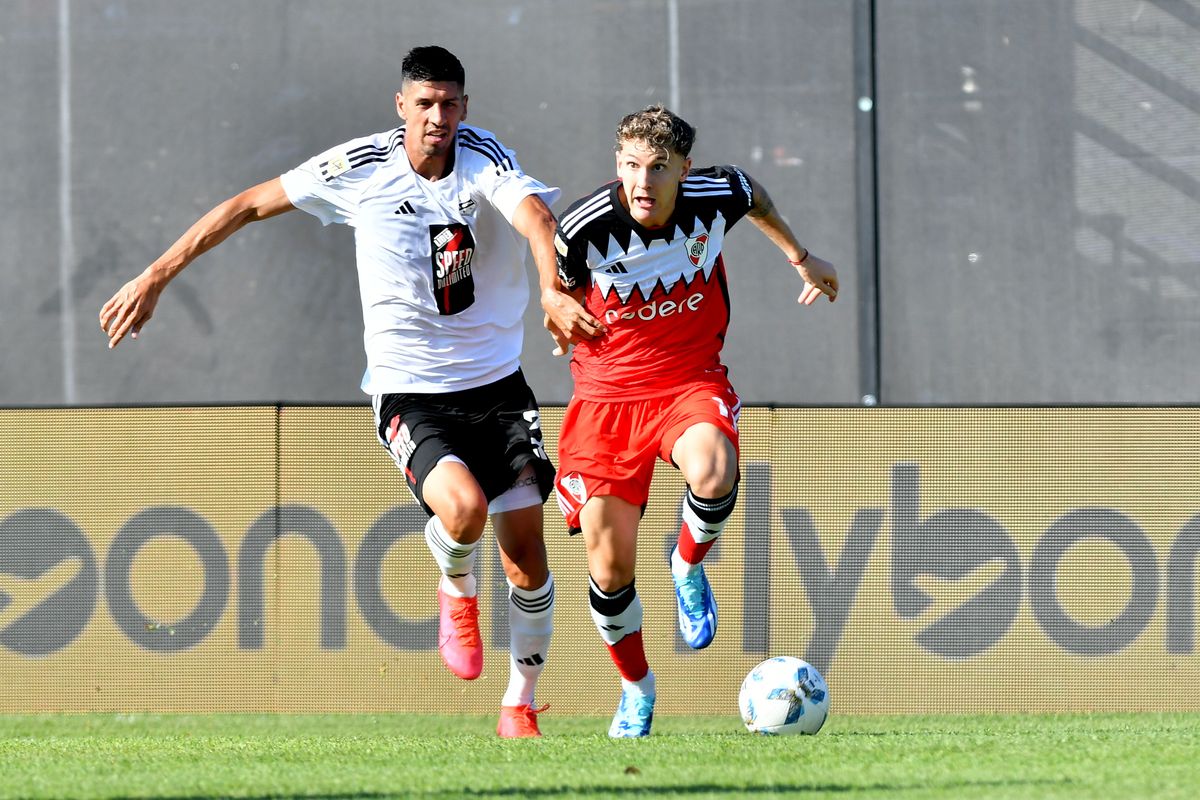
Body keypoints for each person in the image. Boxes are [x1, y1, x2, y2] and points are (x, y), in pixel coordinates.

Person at [99, 45, 582, 739]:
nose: (437, 117)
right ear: (401, 107)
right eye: (424, 104)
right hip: (409, 392)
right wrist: (156, 275)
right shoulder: (359, 167)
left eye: (449, 104)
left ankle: (520, 704)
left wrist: (550, 289)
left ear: (465, 107)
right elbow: (246, 205)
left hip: (499, 386)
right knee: (465, 511)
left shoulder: (485, 157)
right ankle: (456, 585)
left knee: (527, 553)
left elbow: (535, 218)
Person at [547, 105, 838, 737]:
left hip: (688, 379)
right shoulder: (585, 224)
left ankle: (687, 562)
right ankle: (636, 688)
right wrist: (557, 307)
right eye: (629, 166)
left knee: (714, 467)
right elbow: (561, 281)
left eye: (657, 168)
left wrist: (801, 257)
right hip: (605, 399)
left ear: (685, 168)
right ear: (616, 163)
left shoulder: (719, 191)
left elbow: (757, 198)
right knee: (609, 566)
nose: (641, 183)